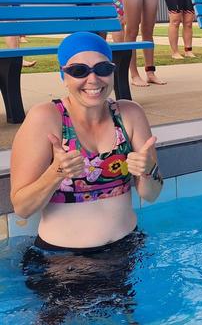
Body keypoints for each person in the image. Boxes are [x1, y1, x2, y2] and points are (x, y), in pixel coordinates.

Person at [10, 32, 162, 321]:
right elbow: (22, 206)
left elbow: (150, 195)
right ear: (63, 75)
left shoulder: (129, 114)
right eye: (79, 71)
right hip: (61, 263)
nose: (93, 80)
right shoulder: (46, 117)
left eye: (103, 69)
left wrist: (148, 170)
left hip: (126, 251)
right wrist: (56, 172)